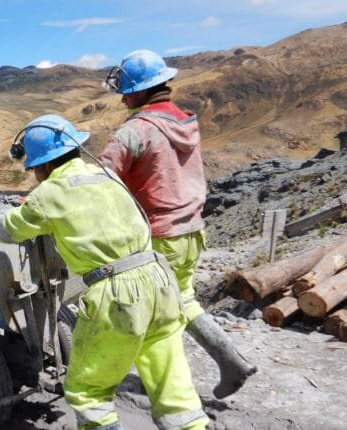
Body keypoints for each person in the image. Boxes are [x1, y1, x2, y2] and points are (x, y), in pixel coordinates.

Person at [0, 114, 208, 430]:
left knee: (87, 391)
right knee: (172, 386)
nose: (35, 176)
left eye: (34, 169)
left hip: (117, 293)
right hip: (160, 281)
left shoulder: (48, 195)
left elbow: (10, 228)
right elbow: (90, 208)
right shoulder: (106, 175)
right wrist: (40, 204)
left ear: (44, 166)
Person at [98, 49, 257, 398]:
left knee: (150, 317)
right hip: (191, 231)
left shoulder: (135, 131)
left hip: (158, 237)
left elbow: (101, 179)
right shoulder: (185, 122)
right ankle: (230, 361)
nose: (123, 99)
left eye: (127, 92)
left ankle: (165, 390)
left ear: (142, 91)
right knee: (182, 299)